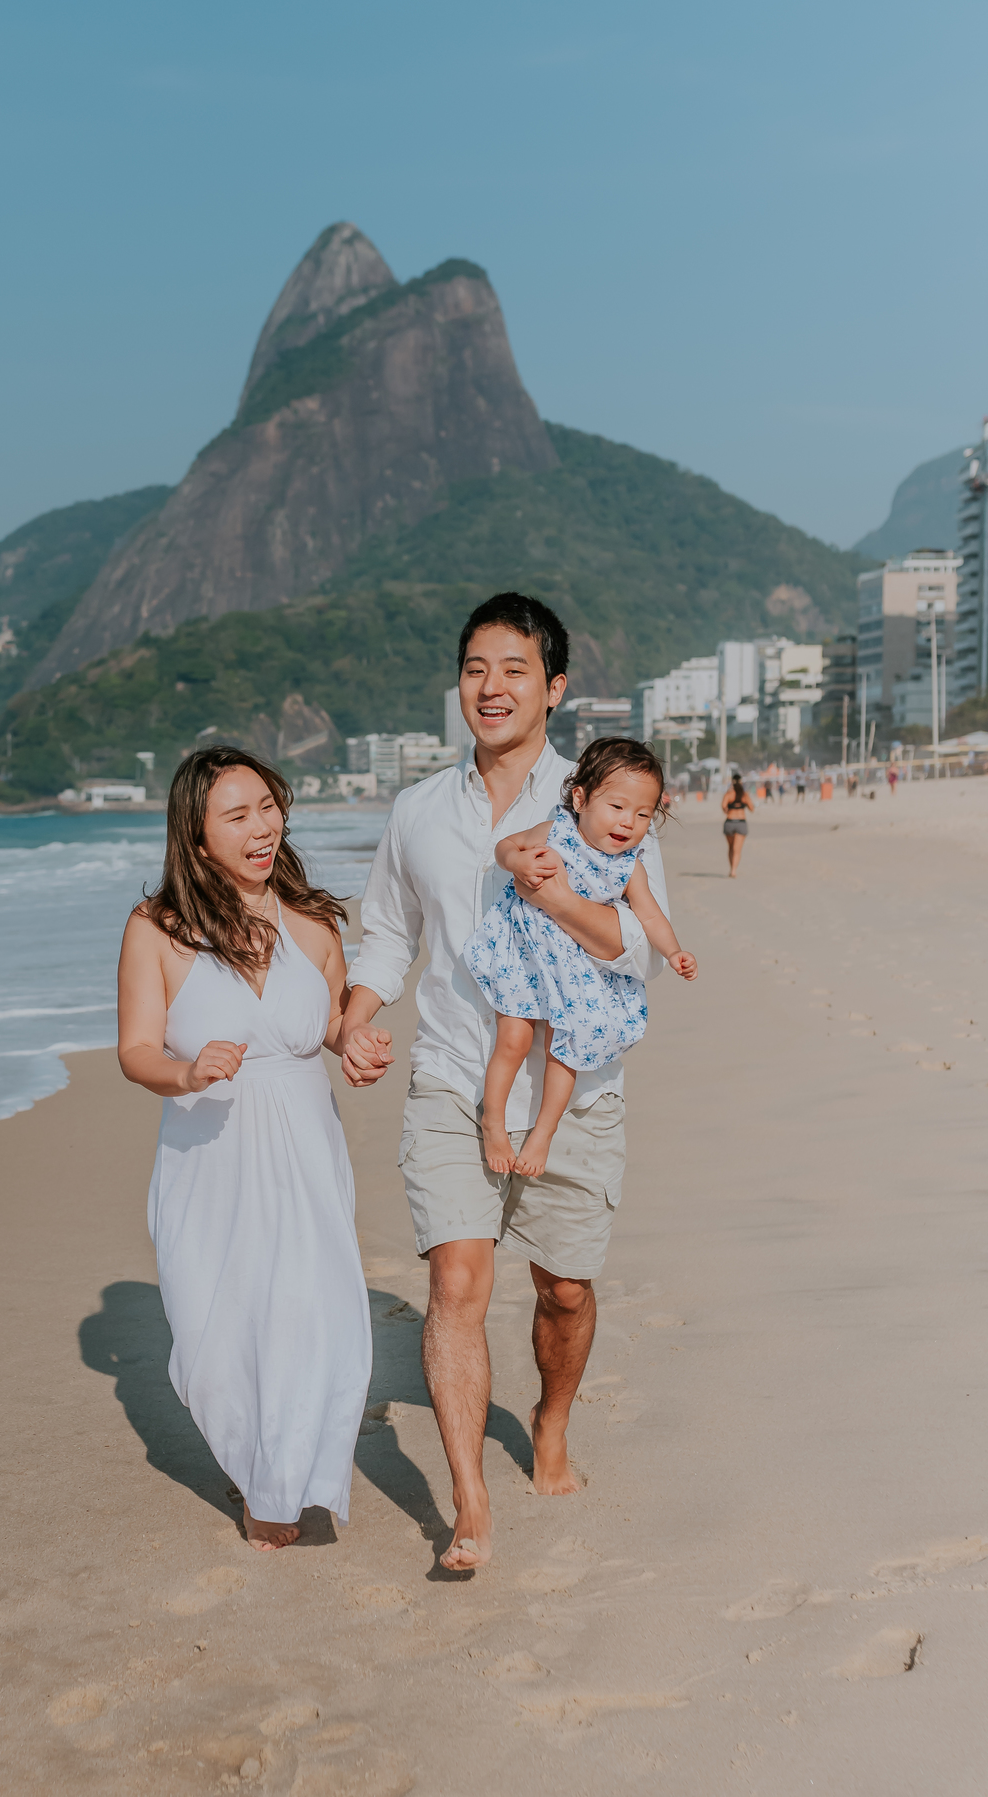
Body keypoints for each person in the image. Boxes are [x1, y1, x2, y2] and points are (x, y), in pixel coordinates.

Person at [338, 593, 672, 1572]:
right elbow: (388, 935)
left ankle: (551, 1420)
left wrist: (551, 890)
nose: (492, 686)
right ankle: (470, 1504)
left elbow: (637, 949)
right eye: (476, 667)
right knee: (455, 1281)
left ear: (554, 687)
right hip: (452, 1075)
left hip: (574, 1086)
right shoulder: (417, 812)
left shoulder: (605, 797)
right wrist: (355, 1017)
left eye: (515, 669)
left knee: (563, 1290)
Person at [116, 748, 386, 1551]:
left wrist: (354, 1043)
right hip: (209, 1153)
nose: (262, 826)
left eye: (268, 807)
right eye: (237, 815)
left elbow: (329, 1019)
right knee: (219, 1330)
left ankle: (279, 1487)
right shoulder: (157, 929)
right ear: (197, 837)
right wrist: (186, 1070)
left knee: (310, 1313)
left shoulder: (313, 921)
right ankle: (251, 1457)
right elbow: (135, 1050)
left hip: (304, 1148)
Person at [466, 738, 697, 1178]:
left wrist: (675, 952)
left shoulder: (630, 866)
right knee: (513, 1039)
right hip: (525, 951)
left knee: (566, 1050)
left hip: (573, 969)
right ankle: (493, 1120)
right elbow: (505, 846)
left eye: (643, 814)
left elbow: (651, 916)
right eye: (617, 806)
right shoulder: (555, 832)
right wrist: (518, 863)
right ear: (580, 799)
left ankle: (543, 1132)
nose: (628, 822)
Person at [722, 771, 755, 876]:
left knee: (731, 847)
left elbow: (723, 807)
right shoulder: (744, 795)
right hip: (741, 822)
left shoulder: (728, 794)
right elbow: (752, 808)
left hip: (730, 821)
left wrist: (729, 810)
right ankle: (733, 871)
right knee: (737, 849)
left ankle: (731, 868)